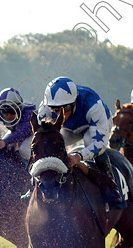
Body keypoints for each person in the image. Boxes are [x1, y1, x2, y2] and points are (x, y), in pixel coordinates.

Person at [37, 76, 126, 209]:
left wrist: (78, 156)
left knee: (91, 144)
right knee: (47, 145)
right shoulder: (44, 109)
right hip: (69, 129)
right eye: (55, 110)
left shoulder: (93, 104)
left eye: (65, 108)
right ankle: (33, 187)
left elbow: (99, 145)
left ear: (74, 102)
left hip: (93, 126)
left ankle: (111, 190)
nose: (62, 114)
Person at [0, 87, 36, 163]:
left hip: (33, 134)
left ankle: (33, 172)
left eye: (12, 111)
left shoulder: (28, 110)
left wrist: (5, 142)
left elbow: (23, 131)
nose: (8, 115)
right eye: (5, 111)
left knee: (24, 150)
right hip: (15, 131)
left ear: (19, 108)